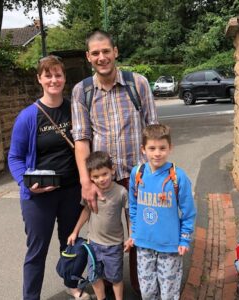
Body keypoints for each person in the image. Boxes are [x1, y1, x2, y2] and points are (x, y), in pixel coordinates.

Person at [71, 29, 158, 294]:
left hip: (138, 176)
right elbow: (82, 140)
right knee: (103, 237)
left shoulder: (138, 84)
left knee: (140, 236)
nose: (101, 57)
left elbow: (153, 130)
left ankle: (143, 289)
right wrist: (86, 182)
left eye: (106, 51)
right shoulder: (82, 91)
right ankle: (106, 289)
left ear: (115, 52)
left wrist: (156, 175)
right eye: (95, 53)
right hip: (102, 180)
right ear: (88, 57)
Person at [8, 55, 89, 300]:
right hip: (38, 196)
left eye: (58, 75)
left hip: (71, 190)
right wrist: (26, 183)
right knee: (37, 251)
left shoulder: (74, 109)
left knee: (70, 243)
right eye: (48, 75)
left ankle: (71, 284)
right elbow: (14, 157)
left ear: (64, 78)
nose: (54, 80)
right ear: (39, 79)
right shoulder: (28, 117)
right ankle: (30, 297)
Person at [125, 124, 197, 300]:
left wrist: (184, 238)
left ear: (170, 148)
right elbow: (133, 206)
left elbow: (188, 212)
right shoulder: (137, 173)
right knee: (147, 292)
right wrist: (134, 232)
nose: (157, 153)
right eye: (152, 148)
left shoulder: (177, 177)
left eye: (162, 148)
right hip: (143, 245)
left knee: (168, 293)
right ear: (143, 149)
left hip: (169, 246)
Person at [67, 151, 128, 300]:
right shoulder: (90, 192)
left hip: (113, 245)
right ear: (90, 177)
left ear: (112, 170)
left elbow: (129, 215)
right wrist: (75, 231)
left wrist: (131, 236)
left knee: (115, 278)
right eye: (95, 176)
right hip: (93, 244)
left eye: (104, 174)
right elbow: (86, 211)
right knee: (94, 276)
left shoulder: (121, 192)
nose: (101, 179)